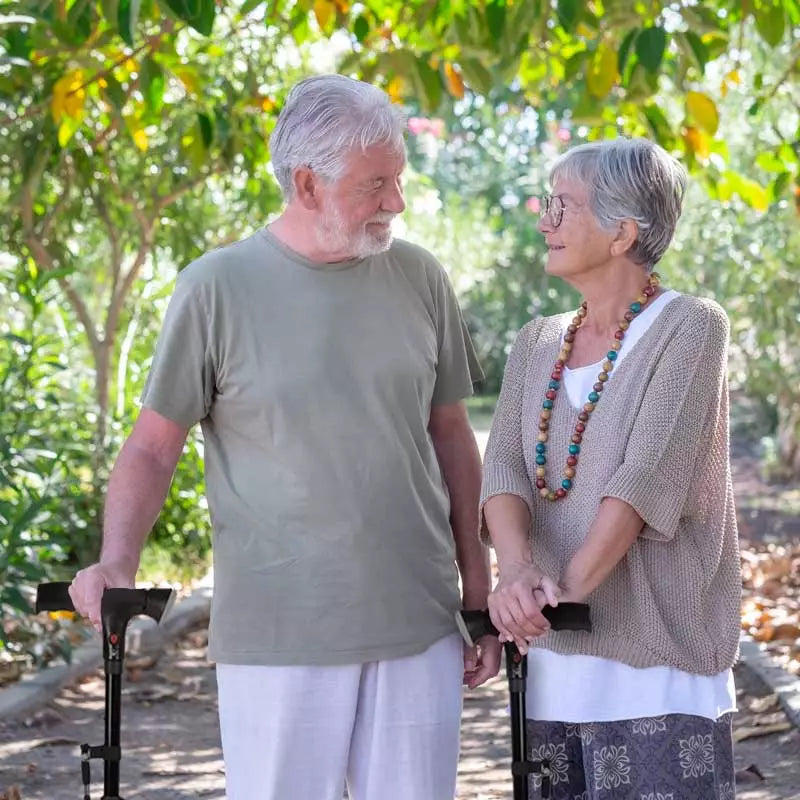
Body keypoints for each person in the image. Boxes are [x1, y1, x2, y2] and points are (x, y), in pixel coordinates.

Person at [68, 74, 501, 800]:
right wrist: (117, 561)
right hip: (279, 635)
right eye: (376, 184)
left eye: (398, 179)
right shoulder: (215, 288)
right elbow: (152, 447)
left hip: (418, 625)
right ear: (307, 184)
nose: (396, 201)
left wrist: (478, 595)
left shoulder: (420, 276)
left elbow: (453, 438)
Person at [481, 137, 741, 798]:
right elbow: (504, 469)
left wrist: (553, 595)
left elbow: (642, 481)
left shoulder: (691, 327)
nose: (544, 220)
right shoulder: (537, 341)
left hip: (655, 671)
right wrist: (516, 576)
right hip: (553, 668)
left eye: (562, 206)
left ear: (624, 231)